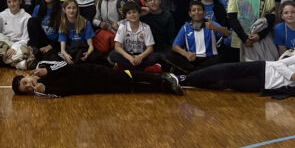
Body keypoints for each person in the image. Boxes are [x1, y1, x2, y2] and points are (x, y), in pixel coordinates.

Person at [180, 40, 295, 100]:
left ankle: (194, 83)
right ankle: (186, 78)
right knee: (226, 69)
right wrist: (293, 76)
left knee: (226, 83)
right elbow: (278, 63)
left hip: (264, 84)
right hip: (263, 66)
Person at [12, 60, 183, 97]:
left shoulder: (42, 67)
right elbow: (64, 92)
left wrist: (47, 71)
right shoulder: (42, 93)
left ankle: (162, 77)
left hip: (91, 72)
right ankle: (163, 87)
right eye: (26, 88)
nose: (29, 85)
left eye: (25, 81)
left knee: (127, 76)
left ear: (26, 75)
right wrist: (48, 90)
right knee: (130, 88)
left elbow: (65, 65)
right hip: (93, 87)